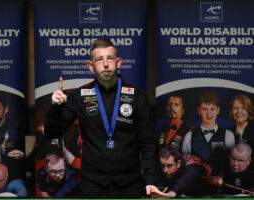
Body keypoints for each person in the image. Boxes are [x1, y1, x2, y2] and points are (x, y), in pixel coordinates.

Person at [44, 38, 167, 198]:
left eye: (110, 58)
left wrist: (150, 180)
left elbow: (148, 143)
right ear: (91, 65)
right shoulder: (80, 96)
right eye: (99, 59)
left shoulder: (137, 96)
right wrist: (56, 108)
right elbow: (52, 132)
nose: (106, 64)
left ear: (119, 62)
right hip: (92, 186)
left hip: (130, 185)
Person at [182, 92, 235, 163]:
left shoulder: (228, 135)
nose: (208, 113)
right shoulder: (189, 136)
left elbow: (232, 164)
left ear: (218, 110)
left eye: (212, 109)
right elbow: (185, 165)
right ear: (199, 110)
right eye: (204, 109)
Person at [0, 94, 25, 181]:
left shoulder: (15, 129)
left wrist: (22, 155)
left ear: (6, 109)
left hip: (14, 177)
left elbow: (25, 152)